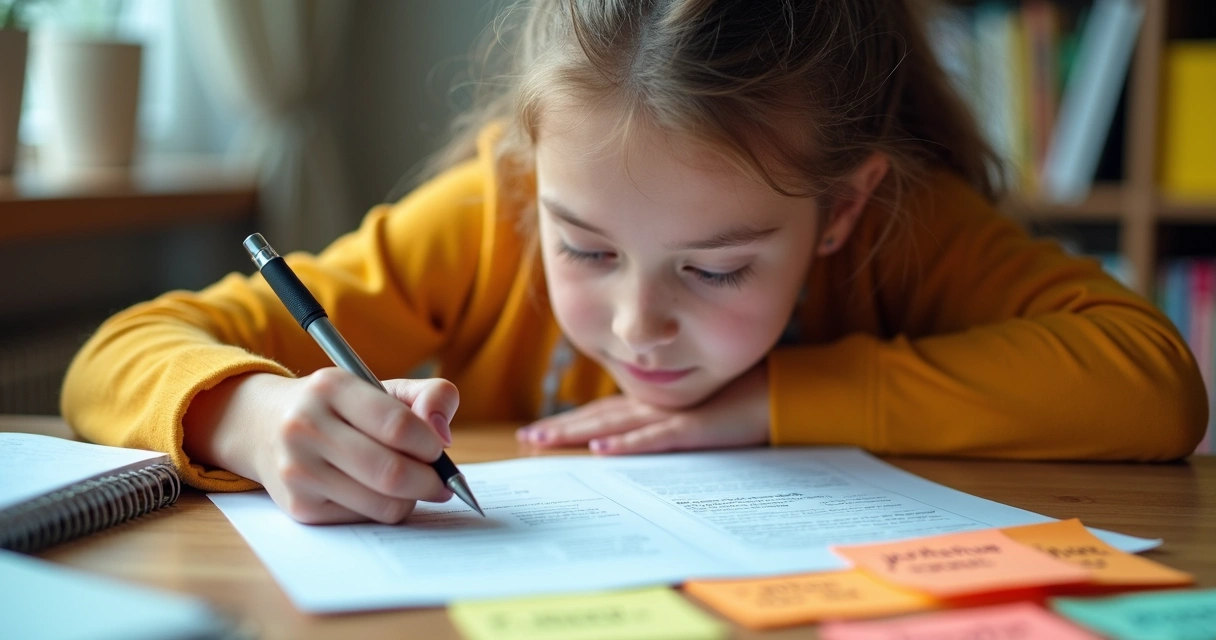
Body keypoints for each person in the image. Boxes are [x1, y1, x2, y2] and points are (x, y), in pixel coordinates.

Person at [62, 0, 1207, 526]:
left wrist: (772, 401)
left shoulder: (908, 225)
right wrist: (255, 421)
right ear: (530, 174)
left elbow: (1150, 381)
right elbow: (115, 355)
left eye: (714, 270)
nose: (636, 324)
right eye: (585, 248)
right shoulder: (484, 217)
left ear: (843, 208)